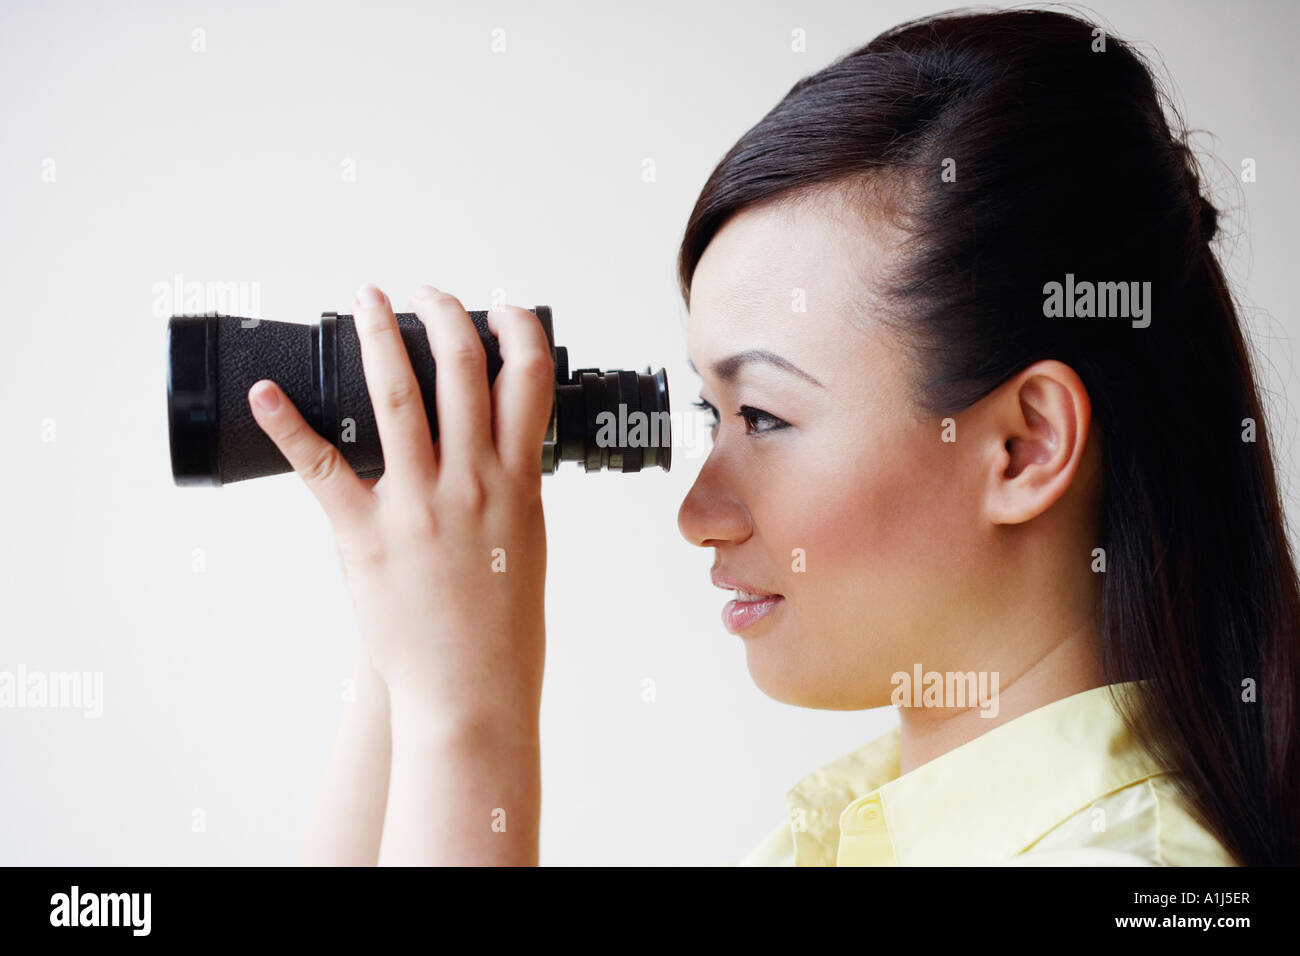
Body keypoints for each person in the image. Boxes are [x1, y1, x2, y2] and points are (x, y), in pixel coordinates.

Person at [248, 8, 1299, 866]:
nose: (697, 514)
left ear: (1023, 448)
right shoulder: (855, 838)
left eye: (763, 416)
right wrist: (405, 649)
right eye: (713, 416)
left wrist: (469, 718)